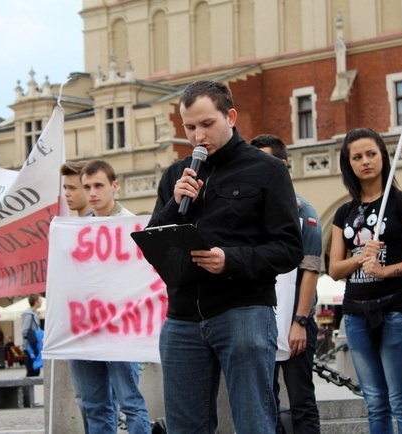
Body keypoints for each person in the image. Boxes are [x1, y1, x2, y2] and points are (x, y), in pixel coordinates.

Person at [147, 80, 303, 433]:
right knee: (184, 427)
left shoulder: (267, 170)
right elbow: (155, 244)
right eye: (189, 127)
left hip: (243, 310)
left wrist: (229, 260)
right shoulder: (176, 174)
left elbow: (289, 247)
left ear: (230, 117)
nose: (198, 136)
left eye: (207, 124)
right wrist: (175, 203)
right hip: (183, 317)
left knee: (253, 423)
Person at [329, 128, 402, 433]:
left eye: (371, 154)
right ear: (349, 164)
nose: (365, 162)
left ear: (383, 157)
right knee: (374, 403)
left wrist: (386, 270)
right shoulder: (344, 212)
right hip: (356, 313)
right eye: (357, 157)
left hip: (396, 310)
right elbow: (334, 269)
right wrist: (361, 257)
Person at [68, 159, 151, 434]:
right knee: (94, 404)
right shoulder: (78, 228)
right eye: (87, 186)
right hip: (86, 328)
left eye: (98, 186)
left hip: (120, 328)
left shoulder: (131, 225)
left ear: (114, 186)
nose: (92, 193)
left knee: (130, 402)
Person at [250, 134, 321, 434]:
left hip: (295, 322)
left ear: (283, 166)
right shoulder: (250, 211)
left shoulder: (304, 211)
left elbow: (311, 270)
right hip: (259, 321)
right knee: (266, 404)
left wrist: (300, 321)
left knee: (301, 400)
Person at [61, 160, 118, 433]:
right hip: (83, 325)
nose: (69, 194)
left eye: (74, 188)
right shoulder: (70, 231)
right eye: (67, 188)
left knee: (122, 400)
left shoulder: (122, 221)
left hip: (117, 326)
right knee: (88, 400)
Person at [21, 293, 43, 376]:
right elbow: (24, 330)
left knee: (35, 370)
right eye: (40, 300)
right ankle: (27, 389)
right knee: (31, 370)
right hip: (30, 346)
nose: (41, 302)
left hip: (34, 345)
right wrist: (29, 341)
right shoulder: (29, 315)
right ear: (36, 302)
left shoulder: (34, 314)